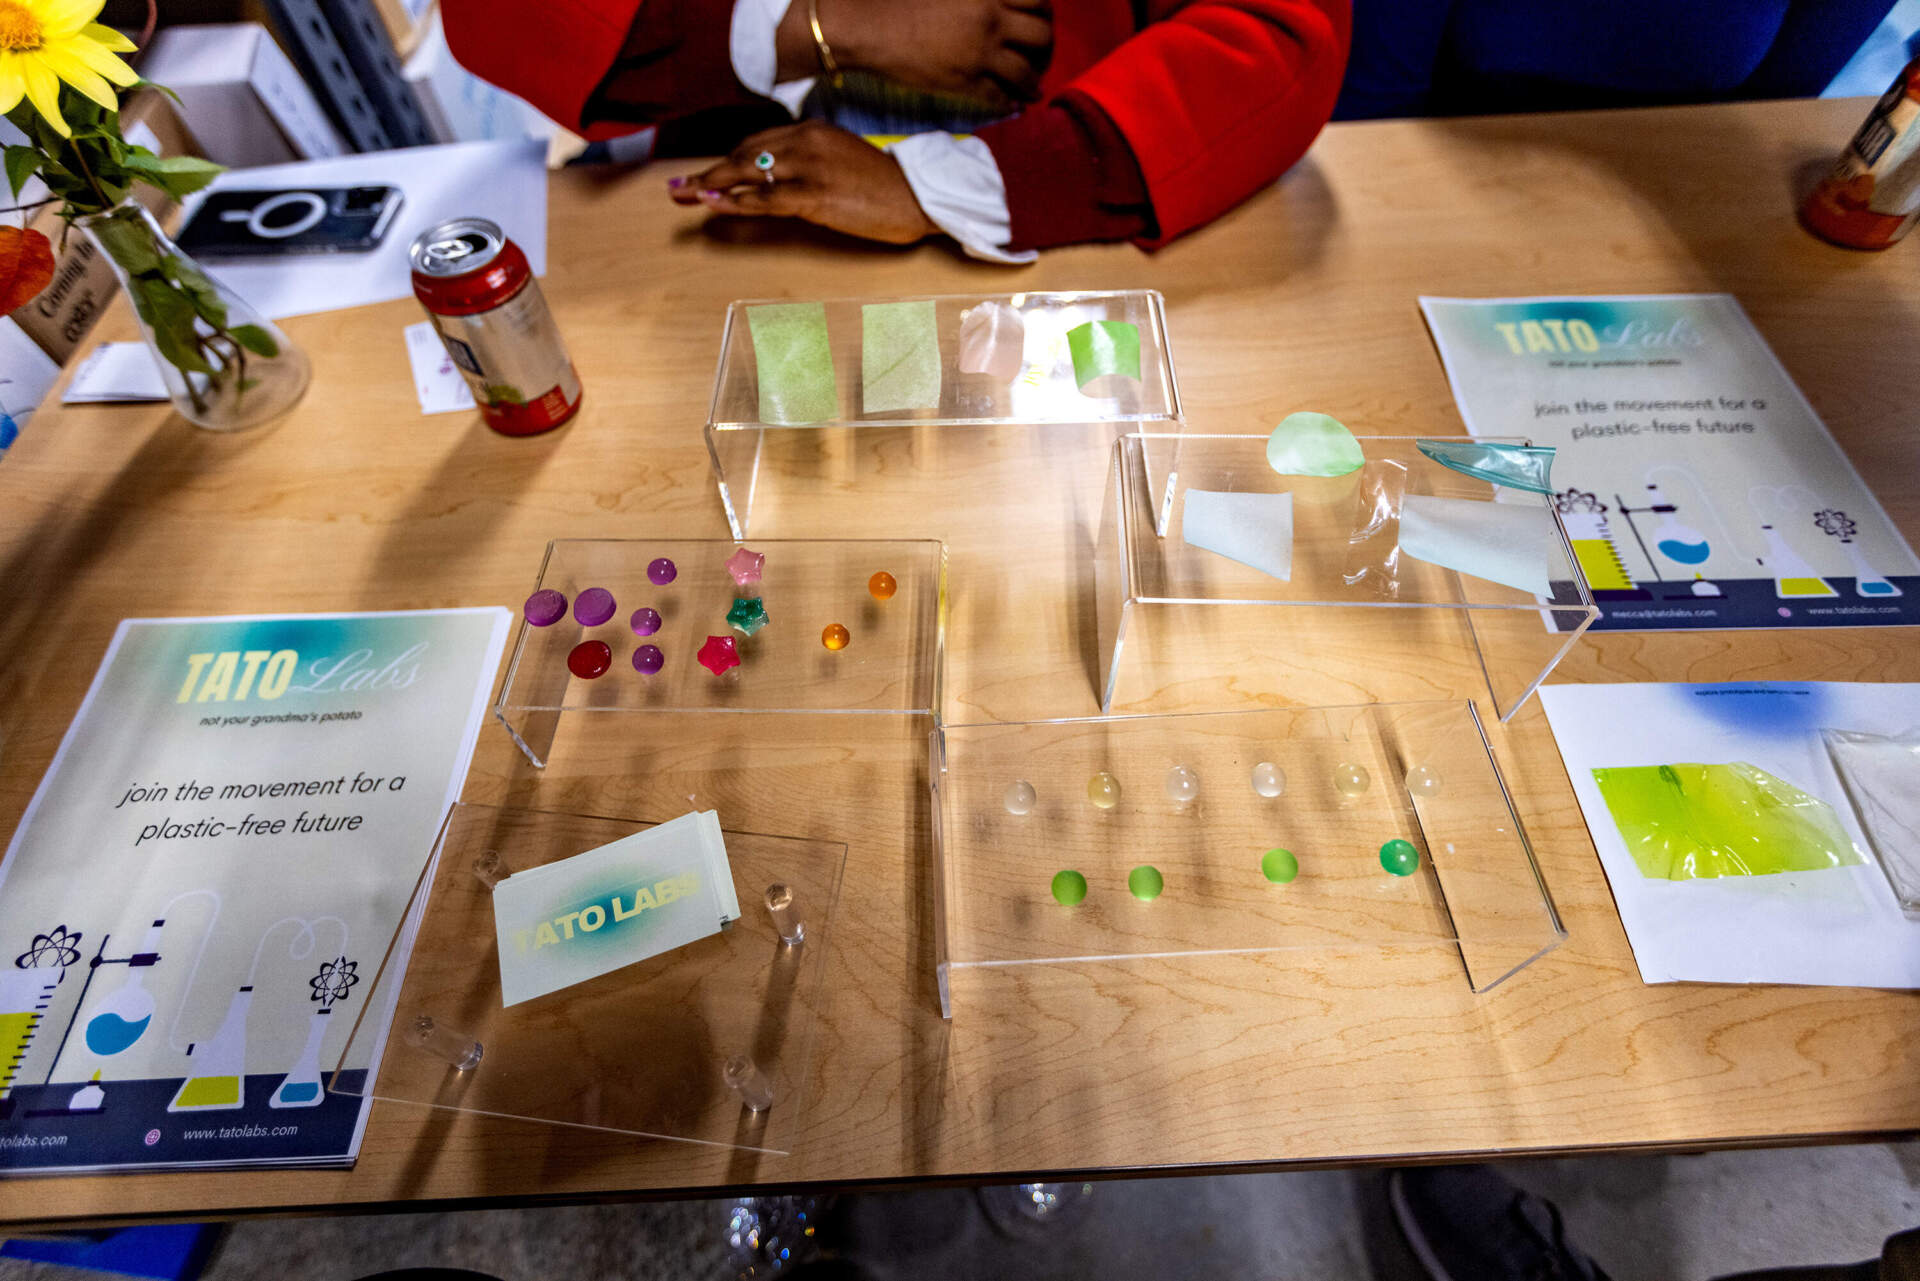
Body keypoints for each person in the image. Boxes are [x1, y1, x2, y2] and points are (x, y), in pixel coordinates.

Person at [442, 0, 1350, 261]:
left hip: (1060, 181)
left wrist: (936, 185)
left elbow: (1278, 33)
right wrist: (822, 26)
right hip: (717, 171)